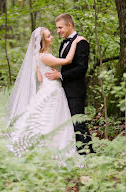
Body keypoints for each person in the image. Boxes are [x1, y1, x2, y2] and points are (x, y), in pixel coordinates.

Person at [6, 26, 85, 155]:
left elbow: (40, 78)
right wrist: (75, 42)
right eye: (48, 36)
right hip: (52, 89)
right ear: (42, 42)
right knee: (51, 118)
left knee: (47, 116)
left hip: (47, 87)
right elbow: (67, 60)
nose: (52, 37)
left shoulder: (38, 56)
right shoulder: (44, 57)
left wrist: (49, 72)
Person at [45, 14, 93, 154]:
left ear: (69, 25)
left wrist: (60, 75)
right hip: (62, 89)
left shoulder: (81, 42)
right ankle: (75, 151)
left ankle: (88, 153)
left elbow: (81, 68)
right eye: (57, 28)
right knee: (68, 123)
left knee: (78, 122)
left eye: (60, 27)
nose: (58, 31)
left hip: (75, 90)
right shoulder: (63, 43)